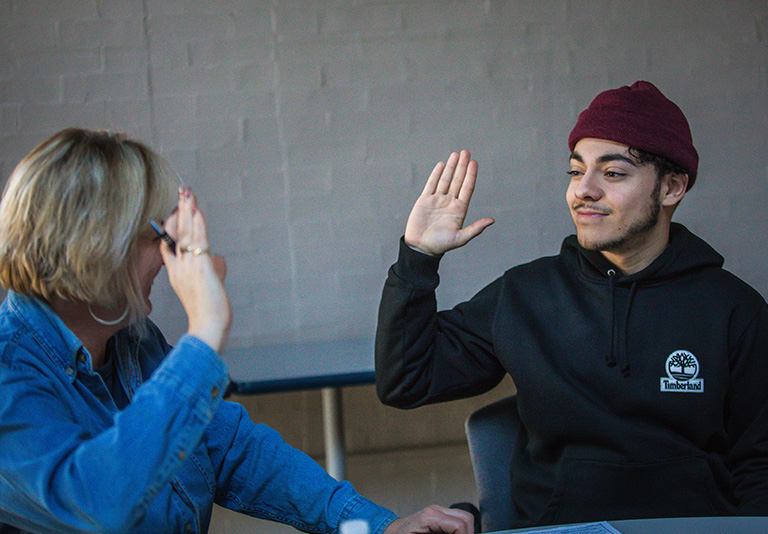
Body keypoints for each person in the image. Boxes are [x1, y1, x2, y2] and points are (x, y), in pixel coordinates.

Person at [0, 128, 474, 534]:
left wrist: (377, 525)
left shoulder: (132, 344)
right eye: (158, 238)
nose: (169, 258)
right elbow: (100, 500)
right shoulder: (9, 372)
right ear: (96, 245)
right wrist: (205, 330)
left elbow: (233, 450)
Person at [375, 81, 768, 528]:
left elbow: (761, 465)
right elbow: (406, 381)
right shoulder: (525, 294)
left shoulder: (734, 309)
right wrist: (419, 257)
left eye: (613, 174)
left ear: (672, 188)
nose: (585, 190)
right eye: (576, 171)